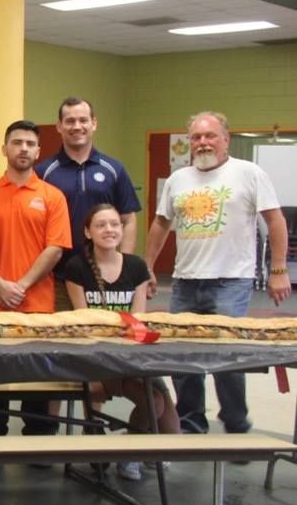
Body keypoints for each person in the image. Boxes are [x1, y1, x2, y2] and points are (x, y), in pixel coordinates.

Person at [144, 110, 291, 435]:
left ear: (226, 139)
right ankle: (191, 423)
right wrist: (148, 266)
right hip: (185, 283)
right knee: (182, 359)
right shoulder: (178, 180)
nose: (203, 142)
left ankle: (236, 423)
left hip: (231, 282)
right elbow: (160, 224)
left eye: (210, 136)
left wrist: (278, 270)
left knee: (228, 357)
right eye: (196, 137)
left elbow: (276, 220)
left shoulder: (249, 173)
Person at [0, 121, 71, 438]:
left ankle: (38, 436)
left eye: (29, 143)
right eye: (17, 142)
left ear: (38, 152)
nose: (23, 148)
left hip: (37, 303)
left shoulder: (52, 196)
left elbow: (55, 248)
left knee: (35, 374)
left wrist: (22, 285)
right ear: (4, 149)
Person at [67, 204, 180, 480]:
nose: (109, 230)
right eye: (102, 225)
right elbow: (84, 321)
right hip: (95, 357)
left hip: (129, 355)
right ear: (88, 232)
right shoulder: (76, 267)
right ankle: (112, 441)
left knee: (172, 428)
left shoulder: (136, 266)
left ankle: (131, 448)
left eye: (115, 224)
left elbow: (137, 320)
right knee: (151, 404)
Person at [36, 97, 141, 310]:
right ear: (59, 126)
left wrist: (125, 267)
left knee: (110, 339)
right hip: (58, 278)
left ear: (94, 123)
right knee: (61, 341)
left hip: (105, 280)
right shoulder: (43, 172)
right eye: (70, 121)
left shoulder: (114, 169)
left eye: (83, 120)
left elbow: (128, 219)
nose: (77, 126)